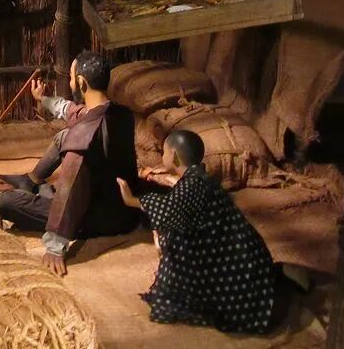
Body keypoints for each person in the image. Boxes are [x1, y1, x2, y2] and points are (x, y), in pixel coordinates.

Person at [0, 51, 140, 276]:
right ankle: (32, 181)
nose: (70, 83)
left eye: (71, 78)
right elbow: (67, 108)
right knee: (63, 136)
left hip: (97, 218)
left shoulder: (84, 135)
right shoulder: (119, 113)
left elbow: (70, 189)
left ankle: (37, 190)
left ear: (81, 82)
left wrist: (55, 246)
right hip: (122, 209)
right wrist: (42, 99)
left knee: (3, 201)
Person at [116, 130, 276, 333]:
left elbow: (169, 210)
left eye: (164, 152)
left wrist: (130, 200)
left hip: (238, 270)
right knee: (173, 234)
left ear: (173, 155)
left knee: (171, 286)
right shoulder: (199, 178)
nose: (162, 157)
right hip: (246, 257)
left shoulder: (193, 185)